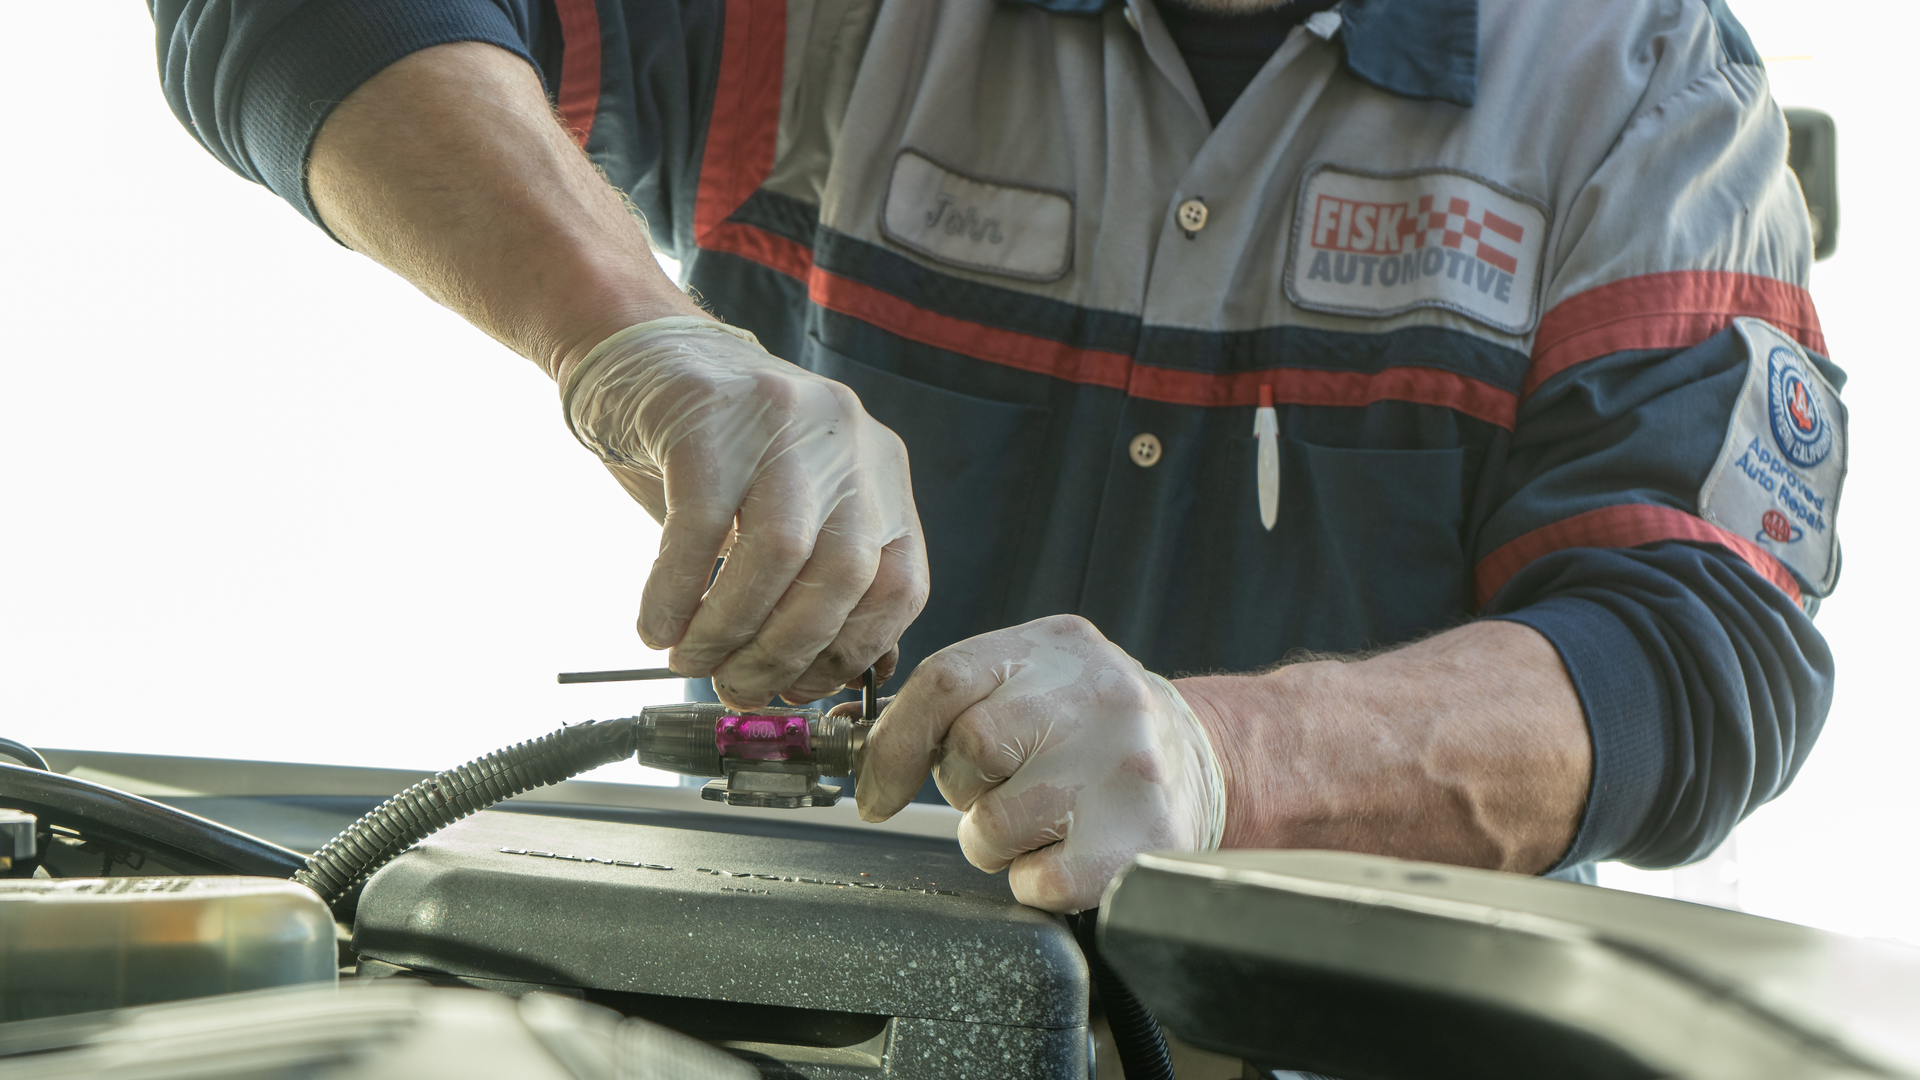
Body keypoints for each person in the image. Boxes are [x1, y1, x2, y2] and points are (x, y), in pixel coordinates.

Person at [155, 0, 1843, 914]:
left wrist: (1225, 762)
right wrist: (639, 343)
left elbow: (1693, 658)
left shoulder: (1648, 96)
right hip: (819, 1005)